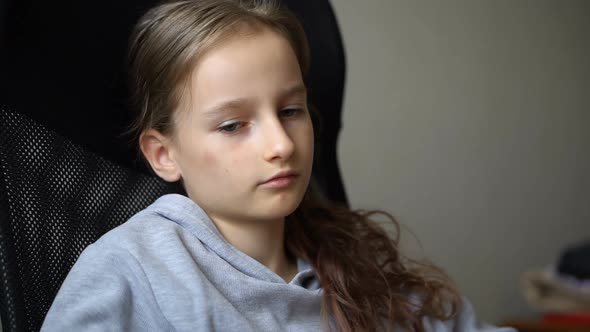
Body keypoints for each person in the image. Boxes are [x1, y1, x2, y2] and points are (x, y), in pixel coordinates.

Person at [41, 0, 515, 331]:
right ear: (164, 154)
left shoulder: (350, 256)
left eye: (291, 111)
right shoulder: (132, 269)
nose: (281, 145)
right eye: (232, 125)